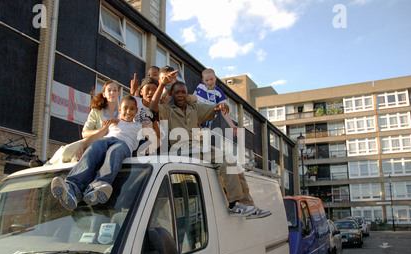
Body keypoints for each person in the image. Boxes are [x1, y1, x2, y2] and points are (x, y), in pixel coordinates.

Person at [149, 76, 267, 218]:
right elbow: (152, 107)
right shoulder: (167, 110)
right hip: (181, 150)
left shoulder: (194, 108)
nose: (180, 95)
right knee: (226, 160)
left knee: (234, 163)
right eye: (177, 92)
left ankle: (249, 206)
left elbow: (212, 108)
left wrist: (220, 106)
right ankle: (234, 204)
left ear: (187, 94)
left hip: (197, 147)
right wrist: (162, 85)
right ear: (172, 94)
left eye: (183, 92)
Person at [51, 96, 157, 210]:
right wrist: (83, 144)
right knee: (94, 147)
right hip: (107, 139)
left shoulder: (139, 126)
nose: (128, 112)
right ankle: (72, 187)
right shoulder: (113, 123)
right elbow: (98, 135)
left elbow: (155, 138)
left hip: (124, 144)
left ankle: (99, 184)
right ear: (120, 109)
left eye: (132, 109)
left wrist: (153, 122)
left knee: (115, 152)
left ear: (136, 111)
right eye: (125, 108)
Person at [190, 68, 239, 134]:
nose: (209, 82)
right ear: (203, 80)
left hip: (205, 122)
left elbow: (224, 110)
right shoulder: (200, 87)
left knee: (200, 140)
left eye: (211, 79)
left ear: (215, 78)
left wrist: (232, 125)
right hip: (194, 118)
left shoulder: (218, 93)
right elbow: (192, 100)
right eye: (206, 80)